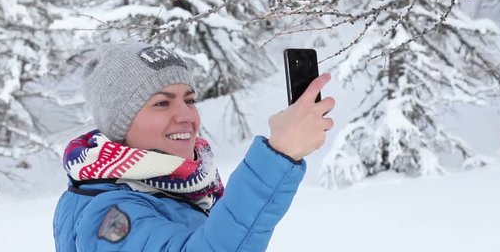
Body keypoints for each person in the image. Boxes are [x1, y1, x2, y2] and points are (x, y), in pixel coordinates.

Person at [53, 42, 335, 251]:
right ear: (119, 123)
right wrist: (278, 155)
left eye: (189, 100)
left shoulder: (179, 188)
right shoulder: (108, 215)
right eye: (162, 103)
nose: (187, 115)